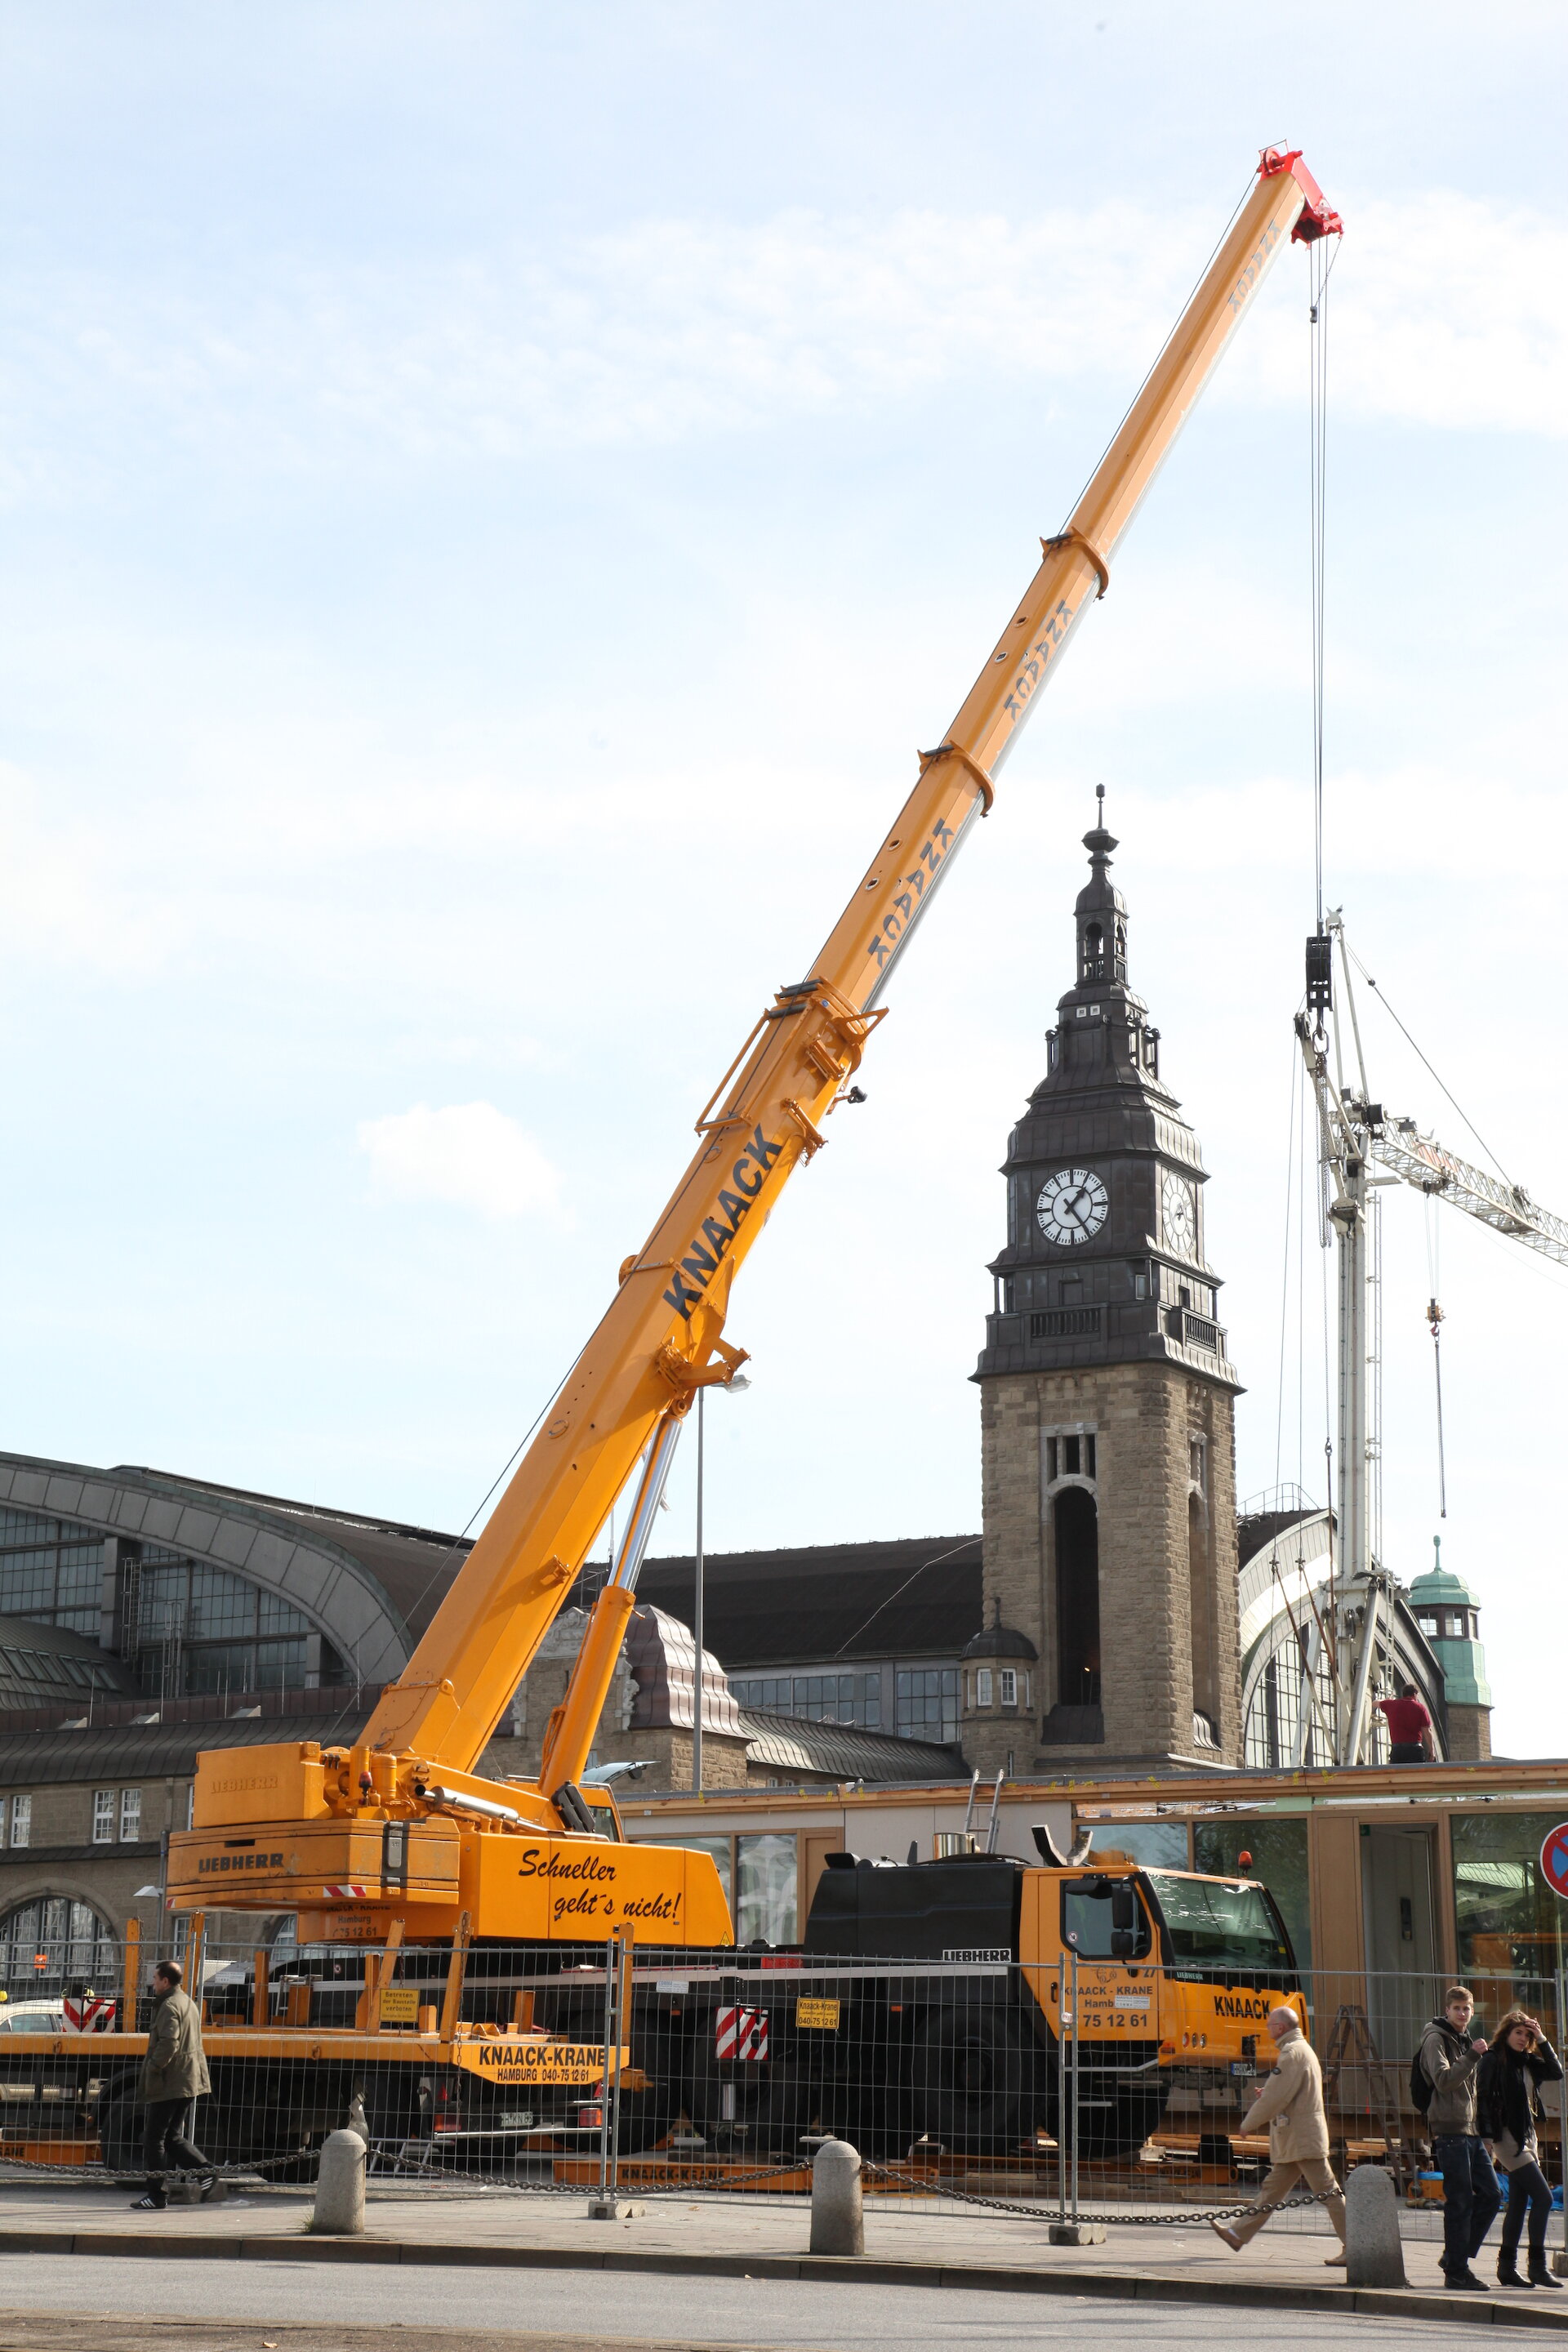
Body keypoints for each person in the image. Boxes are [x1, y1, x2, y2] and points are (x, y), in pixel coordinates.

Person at [1209, 2004, 1347, 2263]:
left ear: (1280, 2027)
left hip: (1301, 2138)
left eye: (1270, 2024)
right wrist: (1269, 2094)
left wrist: (1249, 2123)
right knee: (1272, 2190)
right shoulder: (1299, 2050)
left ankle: (1356, 2245)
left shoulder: (1291, 2053)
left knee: (1329, 2193)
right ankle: (1237, 2234)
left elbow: (1276, 2095)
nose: (1266, 2028)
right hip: (1298, 2138)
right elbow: (1287, 2091)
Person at [1420, 1984, 1500, 2290]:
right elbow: (1443, 2081)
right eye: (1457, 2008)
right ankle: (1457, 2271)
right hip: (1449, 2130)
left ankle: (1455, 2256)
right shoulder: (1435, 2039)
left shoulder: (1463, 2038)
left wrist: (1484, 2132)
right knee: (1461, 2202)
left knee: (1492, 2195)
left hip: (1470, 2131)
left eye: (1467, 2009)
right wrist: (1471, 2057)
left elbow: (1472, 2092)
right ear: (1447, 2010)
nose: (1463, 2014)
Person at [1477, 2007, 1564, 2289]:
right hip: (1507, 2137)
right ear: (1506, 2033)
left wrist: (1541, 2037)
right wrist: (1487, 2137)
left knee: (1516, 2204)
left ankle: (1507, 2268)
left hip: (1527, 2135)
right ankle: (1537, 2265)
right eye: (1518, 2032)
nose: (1522, 2038)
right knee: (1544, 2198)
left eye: (1526, 2034)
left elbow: (1556, 2071)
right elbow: (1484, 2098)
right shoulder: (1493, 2060)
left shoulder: (1527, 2061)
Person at [131, 1958, 214, 2211]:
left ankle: (156, 2195)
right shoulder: (187, 2002)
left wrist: (154, 2067)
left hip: (171, 2081)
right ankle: (205, 2173)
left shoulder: (168, 2006)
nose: (153, 1983)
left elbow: (169, 2042)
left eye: (155, 1978)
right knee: (171, 2137)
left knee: (154, 2138)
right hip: (188, 2079)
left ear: (165, 1981)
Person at [1377, 1681, 1433, 1764]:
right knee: (1415, 1775)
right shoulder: (1420, 1708)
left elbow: (1375, 1703)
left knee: (1397, 1775)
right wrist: (1432, 1751)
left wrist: (1386, 1700)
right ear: (1414, 1694)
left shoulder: (1391, 1704)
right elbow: (1427, 1731)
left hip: (1397, 1751)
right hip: (1415, 1750)